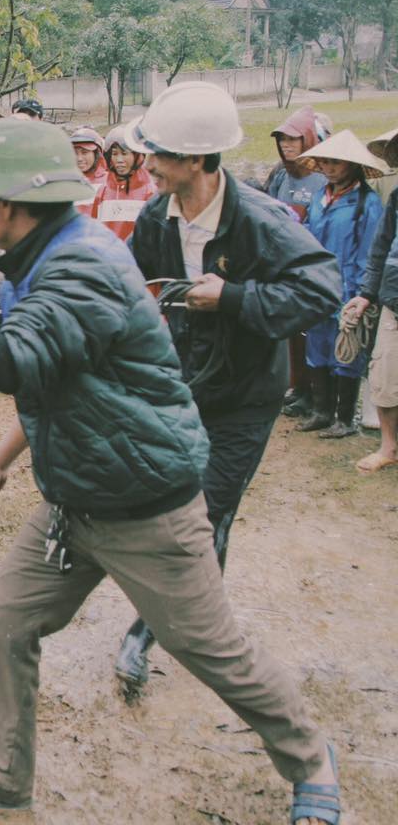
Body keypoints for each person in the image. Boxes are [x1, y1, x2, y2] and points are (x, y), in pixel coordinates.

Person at [0, 117, 341, 825]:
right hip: (74, 495)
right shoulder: (45, 257)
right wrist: (0, 461)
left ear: (8, 206)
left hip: (143, 504)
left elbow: (4, 363)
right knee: (8, 622)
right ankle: (5, 780)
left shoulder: (82, 264)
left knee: (210, 648)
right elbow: (56, 377)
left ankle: (312, 758)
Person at [117, 81, 341, 697]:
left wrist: (234, 297)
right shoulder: (154, 219)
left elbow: (322, 290)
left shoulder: (262, 220)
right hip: (182, 385)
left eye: (159, 154)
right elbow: (133, 286)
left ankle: (152, 629)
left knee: (207, 513)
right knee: (166, 500)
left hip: (245, 396)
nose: (149, 163)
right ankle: (177, 617)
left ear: (197, 160)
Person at [294, 130, 385, 438]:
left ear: (351, 165)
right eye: (325, 162)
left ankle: (344, 419)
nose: (330, 168)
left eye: (336, 162)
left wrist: (362, 294)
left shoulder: (368, 204)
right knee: (316, 345)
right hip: (317, 284)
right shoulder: (320, 197)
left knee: (347, 351)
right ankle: (322, 411)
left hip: (349, 287)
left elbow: (372, 251)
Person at [263, 106, 332, 418]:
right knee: (289, 330)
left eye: (292, 139)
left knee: (312, 332)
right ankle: (298, 386)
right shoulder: (279, 176)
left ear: (307, 140)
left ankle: (318, 395)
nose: (286, 145)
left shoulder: (322, 178)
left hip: (308, 261)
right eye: (281, 140)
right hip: (281, 263)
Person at [346, 127, 398, 472]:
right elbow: (379, 249)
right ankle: (390, 447)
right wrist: (365, 295)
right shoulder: (397, 199)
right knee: (384, 377)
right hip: (394, 298)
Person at [89, 124, 157, 240]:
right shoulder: (103, 192)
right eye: (115, 154)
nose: (119, 160)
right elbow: (94, 232)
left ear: (137, 156)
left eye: (124, 153)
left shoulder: (151, 192)